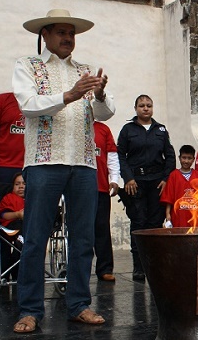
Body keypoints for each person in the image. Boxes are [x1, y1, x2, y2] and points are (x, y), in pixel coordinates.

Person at [12, 9, 115, 332]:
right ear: (45, 35)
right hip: (44, 163)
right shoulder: (28, 66)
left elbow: (105, 112)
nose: (67, 38)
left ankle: (79, 304)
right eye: (60, 32)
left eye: (71, 33)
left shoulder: (84, 70)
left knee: (83, 238)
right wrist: (69, 95)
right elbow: (27, 104)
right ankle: (29, 310)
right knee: (35, 238)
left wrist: (98, 94)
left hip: (83, 163)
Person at [117, 94, 176, 281]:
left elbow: (170, 156)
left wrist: (166, 178)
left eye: (149, 105)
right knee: (139, 223)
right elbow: (121, 156)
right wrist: (128, 178)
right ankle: (139, 267)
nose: (145, 108)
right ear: (135, 108)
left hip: (157, 182)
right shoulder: (127, 130)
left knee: (154, 225)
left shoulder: (161, 130)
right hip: (136, 183)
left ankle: (153, 265)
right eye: (141, 105)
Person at [93, 121, 120, 282]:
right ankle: (73, 269)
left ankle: (105, 268)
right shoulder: (72, 125)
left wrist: (114, 179)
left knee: (102, 229)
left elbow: (112, 157)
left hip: (100, 188)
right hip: (76, 189)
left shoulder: (103, 129)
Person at [160, 145, 198, 228]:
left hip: (195, 215)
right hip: (178, 215)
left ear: (193, 159)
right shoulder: (173, 175)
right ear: (179, 158)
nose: (186, 161)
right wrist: (168, 214)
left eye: (189, 158)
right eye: (184, 158)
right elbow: (169, 198)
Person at [0, 173, 25, 279]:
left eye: (24, 184)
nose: (21, 186)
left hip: (28, 227)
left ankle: (18, 271)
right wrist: (17, 214)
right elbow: (3, 215)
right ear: (12, 187)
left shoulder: (33, 199)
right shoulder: (9, 198)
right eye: (17, 184)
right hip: (10, 227)